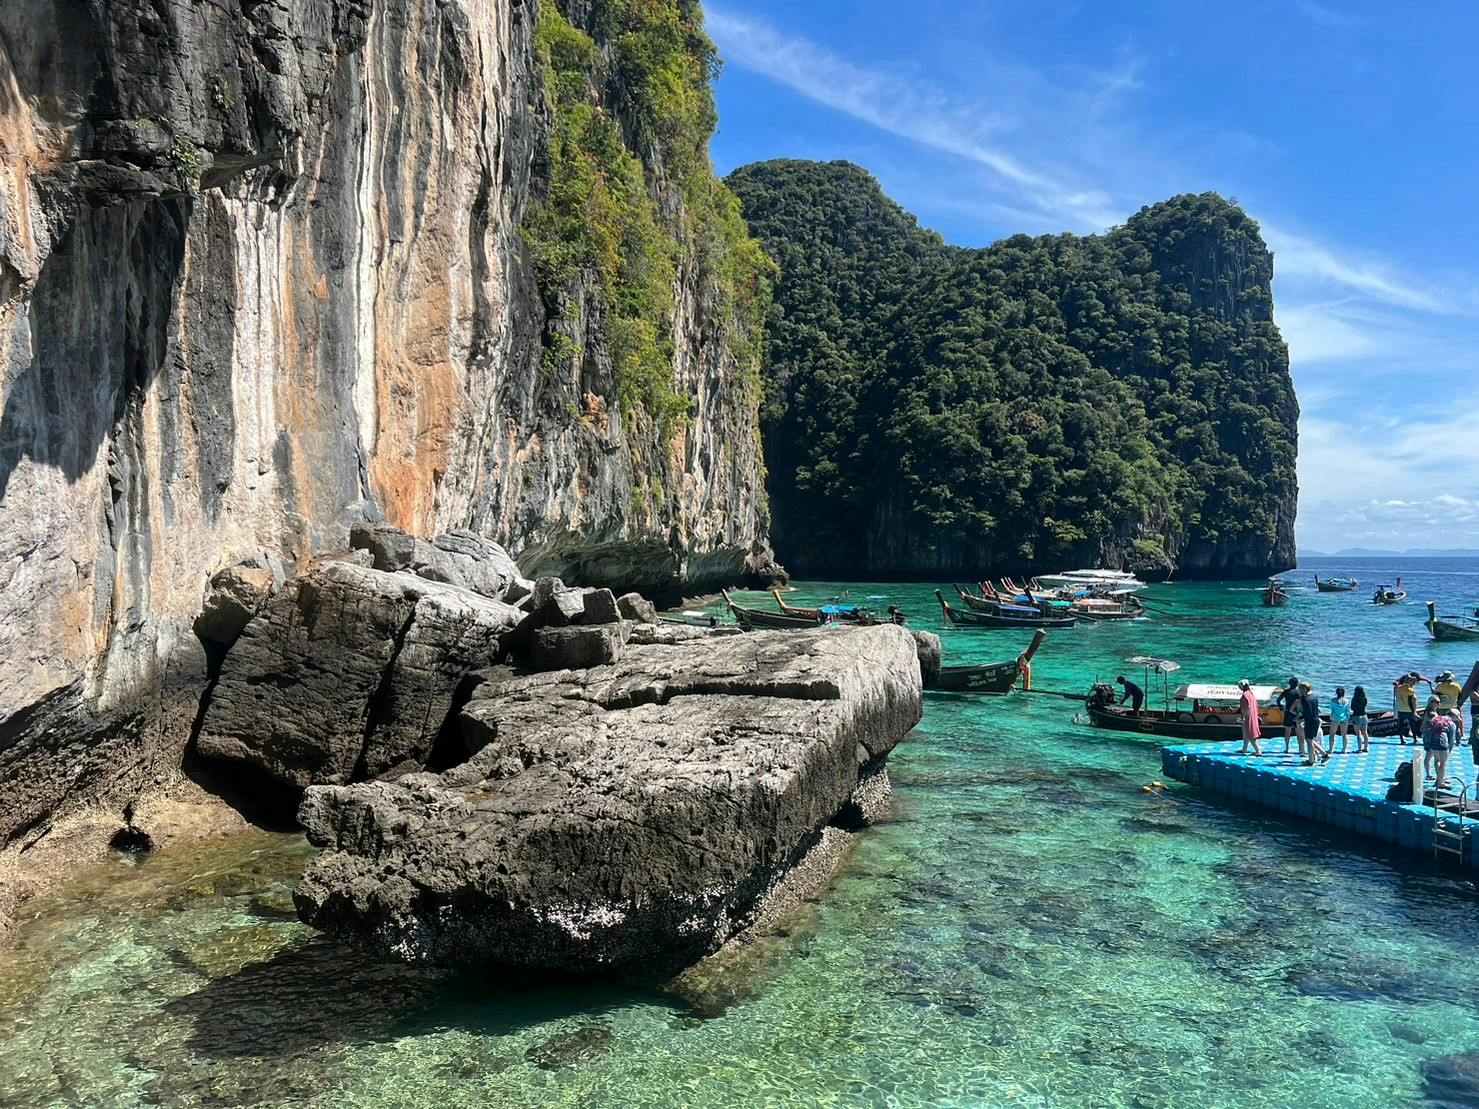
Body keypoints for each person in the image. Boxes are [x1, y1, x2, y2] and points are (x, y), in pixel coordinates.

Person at [1422, 696, 1459, 790]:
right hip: (1442, 742)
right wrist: (1449, 750)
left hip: (1433, 740)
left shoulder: (1440, 717)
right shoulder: (1451, 723)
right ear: (1453, 716)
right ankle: (1440, 783)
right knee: (1443, 763)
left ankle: (1438, 779)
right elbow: (1451, 739)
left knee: (1436, 760)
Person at [1299, 681, 1328, 766]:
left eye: (1300, 689)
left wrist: (1300, 718)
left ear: (1304, 689)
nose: (1299, 691)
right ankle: (1324, 755)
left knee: (1309, 741)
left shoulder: (1304, 699)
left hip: (1310, 721)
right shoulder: (1314, 696)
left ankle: (1311, 761)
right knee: (1310, 740)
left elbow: (1307, 712)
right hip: (1316, 720)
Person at [1276, 677, 1302, 756]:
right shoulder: (1299, 692)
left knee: (1287, 731)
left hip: (1287, 712)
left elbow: (1278, 700)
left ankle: (1287, 748)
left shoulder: (1286, 691)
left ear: (1289, 684)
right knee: (1298, 732)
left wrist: (1281, 708)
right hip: (1297, 713)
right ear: (1297, 684)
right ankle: (1300, 748)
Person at [1237, 679, 1263, 756]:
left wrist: (1244, 716)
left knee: (1250, 734)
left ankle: (1258, 750)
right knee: (1245, 733)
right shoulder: (1251, 694)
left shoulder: (1245, 695)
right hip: (1253, 715)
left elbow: (1246, 707)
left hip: (1248, 717)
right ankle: (1244, 749)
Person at [1395, 675, 1420, 746]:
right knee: (1412, 725)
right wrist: (1414, 711)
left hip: (1400, 709)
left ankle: (1402, 739)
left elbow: (1397, 696)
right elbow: (1412, 701)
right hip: (1409, 710)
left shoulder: (1398, 688)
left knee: (1400, 725)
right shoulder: (1410, 690)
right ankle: (1415, 739)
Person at [1330, 686, 1352, 753]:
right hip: (1344, 718)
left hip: (1335, 718)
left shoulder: (1332, 700)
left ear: (1336, 693)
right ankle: (1344, 750)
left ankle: (1331, 749)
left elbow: (1332, 709)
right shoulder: (1347, 701)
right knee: (1344, 735)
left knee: (1332, 734)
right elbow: (1348, 711)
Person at [1350, 685, 1371, 754]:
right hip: (1364, 716)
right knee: (1365, 733)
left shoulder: (1354, 699)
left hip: (1357, 717)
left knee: (1358, 734)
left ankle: (1359, 749)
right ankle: (1366, 747)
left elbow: (1352, 708)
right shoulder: (1365, 699)